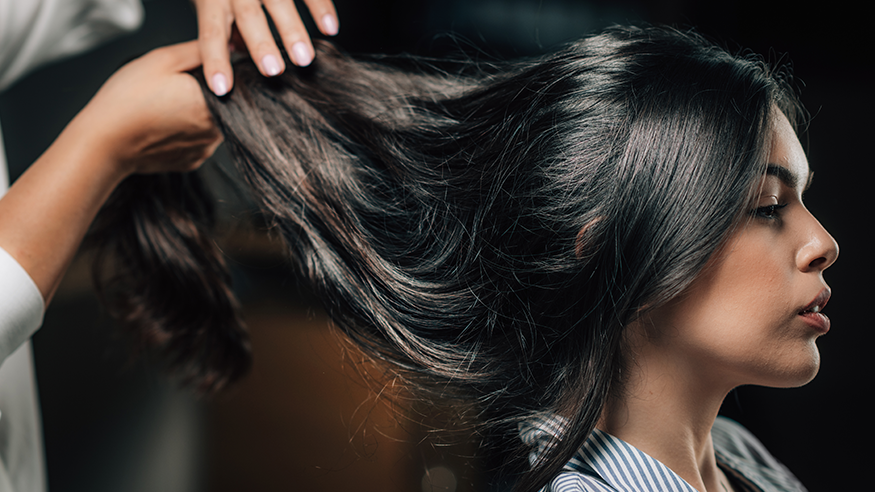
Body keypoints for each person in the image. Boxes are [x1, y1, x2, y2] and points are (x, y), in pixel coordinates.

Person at [90, 25, 837, 492]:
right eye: (767, 206)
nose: (822, 243)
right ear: (618, 252)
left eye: (802, 200)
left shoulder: (744, 463)